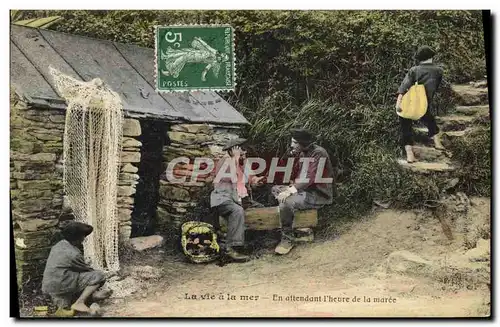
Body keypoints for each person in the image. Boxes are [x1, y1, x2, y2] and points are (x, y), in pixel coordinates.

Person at [274, 128, 336, 255]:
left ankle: (287, 239)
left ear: (303, 143)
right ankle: (301, 227)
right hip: (304, 192)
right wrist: (291, 187)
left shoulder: (318, 153)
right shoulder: (303, 153)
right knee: (275, 189)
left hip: (318, 194)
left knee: (285, 202)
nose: (292, 145)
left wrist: (291, 191)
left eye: (295, 142)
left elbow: (310, 178)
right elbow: (302, 177)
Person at [210, 138, 265, 262]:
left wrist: (257, 181)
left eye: (244, 152)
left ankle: (254, 243)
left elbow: (251, 180)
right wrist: (235, 158)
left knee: (262, 210)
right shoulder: (224, 163)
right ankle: (230, 248)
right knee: (237, 211)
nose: (244, 155)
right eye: (241, 152)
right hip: (224, 199)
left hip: (241, 199)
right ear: (232, 151)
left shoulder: (244, 163)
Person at [42, 221, 110, 313]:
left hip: (48, 287)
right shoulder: (74, 254)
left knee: (64, 305)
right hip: (62, 285)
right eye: (83, 236)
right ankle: (80, 302)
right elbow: (87, 270)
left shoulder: (58, 245)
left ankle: (87, 298)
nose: (84, 239)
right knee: (98, 276)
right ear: (78, 238)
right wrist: (107, 274)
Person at [396, 45, 445, 163]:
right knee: (429, 118)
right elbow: (436, 86)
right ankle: (437, 142)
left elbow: (404, 87)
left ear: (419, 58)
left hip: (413, 102)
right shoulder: (439, 71)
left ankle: (409, 154)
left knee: (405, 122)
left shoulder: (414, 70)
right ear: (431, 57)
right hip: (425, 103)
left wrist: (398, 103)